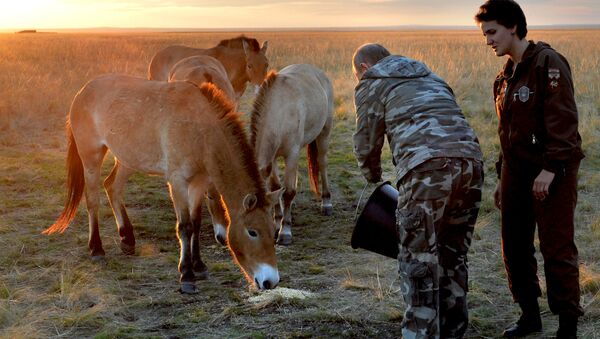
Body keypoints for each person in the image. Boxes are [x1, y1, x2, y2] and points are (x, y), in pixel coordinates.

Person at [352, 43, 484, 339]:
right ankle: (453, 331)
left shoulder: (371, 82)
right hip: (472, 165)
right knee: (453, 255)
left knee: (418, 263)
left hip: (427, 171)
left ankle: (420, 333)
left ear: (363, 68)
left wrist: (373, 176)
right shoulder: (431, 75)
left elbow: (365, 142)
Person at [474, 1, 585, 338]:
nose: (488, 40)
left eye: (492, 32)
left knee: (556, 248)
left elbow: (564, 123)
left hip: (552, 173)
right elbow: (507, 133)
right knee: (515, 245)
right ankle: (529, 316)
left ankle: (567, 325)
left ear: (512, 27)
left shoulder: (548, 64)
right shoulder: (504, 77)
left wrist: (551, 168)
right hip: (516, 173)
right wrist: (501, 176)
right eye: (485, 34)